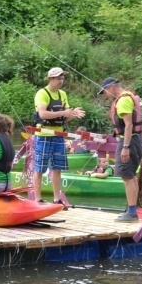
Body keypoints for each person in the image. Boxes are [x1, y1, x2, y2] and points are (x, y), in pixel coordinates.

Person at [33, 67, 85, 205]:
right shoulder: (42, 93)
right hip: (44, 134)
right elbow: (43, 114)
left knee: (58, 168)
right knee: (39, 167)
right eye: (58, 78)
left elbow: (65, 117)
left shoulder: (62, 94)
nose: (61, 81)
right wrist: (63, 113)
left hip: (59, 134)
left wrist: (73, 114)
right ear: (50, 79)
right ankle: (37, 199)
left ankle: (57, 199)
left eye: (62, 78)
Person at [98, 77, 142, 222]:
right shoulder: (131, 97)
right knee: (130, 176)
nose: (105, 95)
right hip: (136, 140)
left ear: (112, 87)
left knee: (127, 176)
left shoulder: (124, 100)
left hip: (129, 141)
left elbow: (129, 125)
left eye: (105, 91)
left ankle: (131, 212)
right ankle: (131, 210)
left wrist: (125, 147)